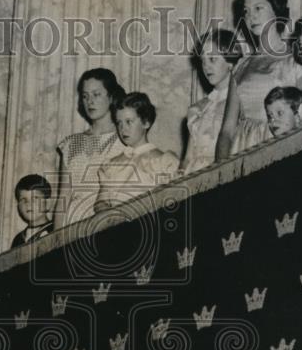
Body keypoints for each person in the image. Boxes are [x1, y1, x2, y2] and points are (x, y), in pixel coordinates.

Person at [215, 0, 302, 160]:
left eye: (258, 8)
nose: (251, 16)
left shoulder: (296, 61)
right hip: (241, 151)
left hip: (279, 150)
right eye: (246, 11)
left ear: (276, 11)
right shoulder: (241, 66)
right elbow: (227, 131)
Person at [54, 68, 125, 228]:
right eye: (85, 96)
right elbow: (63, 198)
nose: (90, 101)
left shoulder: (125, 140)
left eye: (96, 94)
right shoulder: (70, 144)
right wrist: (55, 240)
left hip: (107, 224)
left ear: (111, 96)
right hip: (72, 225)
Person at [94, 92, 179, 213]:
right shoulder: (112, 165)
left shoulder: (164, 161)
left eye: (129, 121)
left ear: (146, 122)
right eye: (119, 123)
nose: (123, 129)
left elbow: (171, 203)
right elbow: (100, 202)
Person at [179, 28, 241, 174]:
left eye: (212, 59)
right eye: (203, 61)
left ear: (230, 62)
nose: (206, 66)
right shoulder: (198, 109)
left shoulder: (239, 104)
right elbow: (188, 158)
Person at [10, 173, 54, 248]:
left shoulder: (54, 231)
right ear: (18, 206)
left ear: (48, 203)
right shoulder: (18, 239)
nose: (28, 204)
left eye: (35, 198)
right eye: (23, 199)